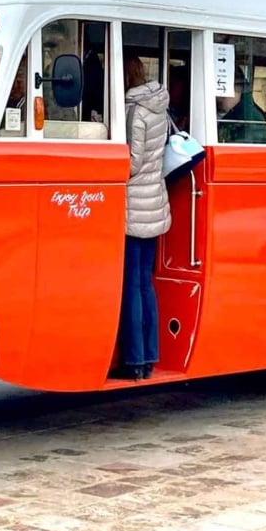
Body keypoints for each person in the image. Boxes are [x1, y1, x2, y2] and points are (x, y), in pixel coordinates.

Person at [116, 57, 171, 381]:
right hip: (154, 201)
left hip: (133, 204)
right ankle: (149, 355)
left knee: (130, 285)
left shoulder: (133, 110)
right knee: (145, 283)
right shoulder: (158, 106)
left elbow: (132, 163)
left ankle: (133, 359)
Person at [217, 66, 266, 143]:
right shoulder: (223, 112)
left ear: (239, 89)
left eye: (222, 90)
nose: (218, 97)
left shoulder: (250, 119)